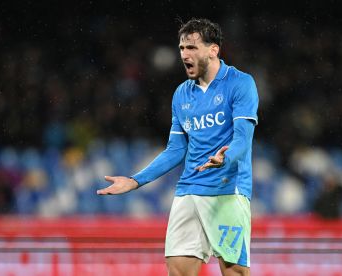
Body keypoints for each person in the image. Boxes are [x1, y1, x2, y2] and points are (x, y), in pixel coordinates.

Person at [97, 18, 259, 276]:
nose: (184, 54)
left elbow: (242, 139)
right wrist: (135, 181)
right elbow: (175, 149)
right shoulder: (181, 94)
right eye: (182, 48)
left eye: (192, 48)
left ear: (213, 49)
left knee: (234, 273)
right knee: (178, 271)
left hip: (228, 190)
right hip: (188, 191)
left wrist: (224, 160)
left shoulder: (240, 83)